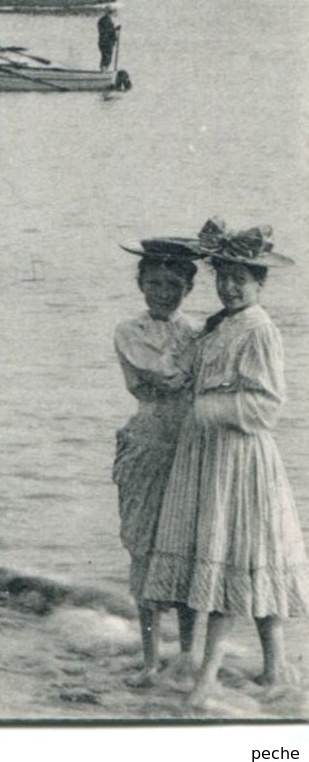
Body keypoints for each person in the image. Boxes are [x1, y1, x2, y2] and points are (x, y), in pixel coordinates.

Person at [141, 219, 309, 707]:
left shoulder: (260, 330)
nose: (230, 286)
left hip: (239, 455)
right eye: (223, 276)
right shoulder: (221, 324)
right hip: (210, 455)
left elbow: (267, 405)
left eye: (241, 278)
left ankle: (209, 678)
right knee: (252, 560)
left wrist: (205, 408)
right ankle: (275, 670)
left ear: (260, 283)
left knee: (235, 558)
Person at [112, 237, 202, 688]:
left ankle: (186, 655)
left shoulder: (198, 331)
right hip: (147, 444)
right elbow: (166, 377)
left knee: (187, 549)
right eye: (153, 283)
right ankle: (149, 659)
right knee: (145, 547)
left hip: (190, 447)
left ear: (188, 287)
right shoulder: (131, 331)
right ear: (140, 284)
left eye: (172, 284)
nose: (162, 293)